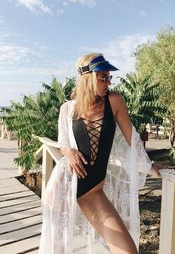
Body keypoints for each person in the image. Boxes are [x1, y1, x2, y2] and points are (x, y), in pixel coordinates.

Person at [39, 53, 161, 254]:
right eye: (102, 77)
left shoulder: (114, 101)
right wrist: (68, 151)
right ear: (87, 78)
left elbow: (132, 139)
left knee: (128, 251)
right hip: (64, 184)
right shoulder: (67, 109)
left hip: (92, 191)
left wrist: (150, 166)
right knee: (57, 248)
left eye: (109, 77)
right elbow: (63, 142)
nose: (108, 82)